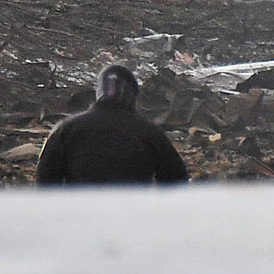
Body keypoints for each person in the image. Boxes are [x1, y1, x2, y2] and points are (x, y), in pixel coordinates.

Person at [36, 65, 188, 185]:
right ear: (133, 96)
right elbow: (177, 179)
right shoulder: (150, 132)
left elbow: (45, 177)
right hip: (132, 216)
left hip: (81, 215)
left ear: (98, 92)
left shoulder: (66, 128)